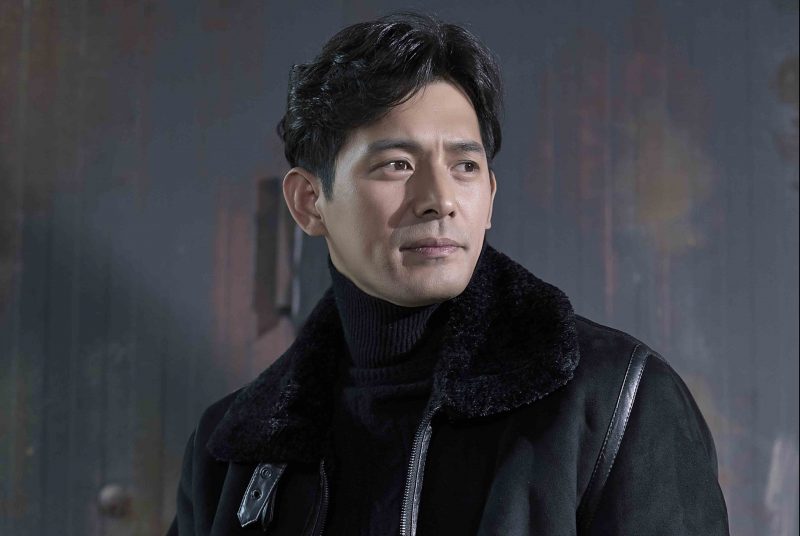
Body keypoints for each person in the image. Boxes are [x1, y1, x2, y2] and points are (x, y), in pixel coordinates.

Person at [168, 12, 729, 535]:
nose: (440, 199)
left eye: (465, 166)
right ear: (310, 202)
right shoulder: (231, 454)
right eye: (397, 165)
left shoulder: (616, 403)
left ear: (490, 197)